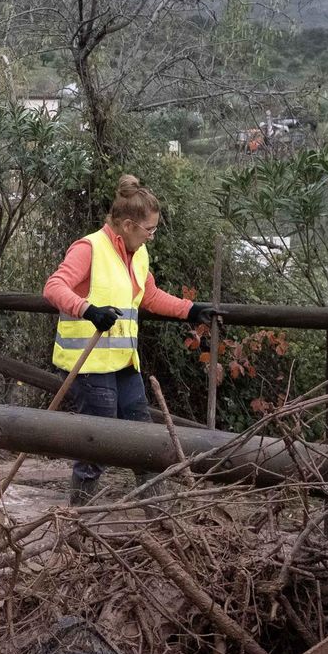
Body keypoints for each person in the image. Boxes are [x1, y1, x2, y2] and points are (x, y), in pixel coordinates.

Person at [42, 174, 216, 505]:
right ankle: (80, 519)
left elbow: (148, 296)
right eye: (148, 229)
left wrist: (189, 310)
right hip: (89, 366)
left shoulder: (137, 254)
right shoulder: (89, 248)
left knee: (144, 440)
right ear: (126, 224)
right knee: (98, 445)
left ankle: (159, 515)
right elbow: (54, 287)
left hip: (123, 362)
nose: (152, 235)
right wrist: (88, 310)